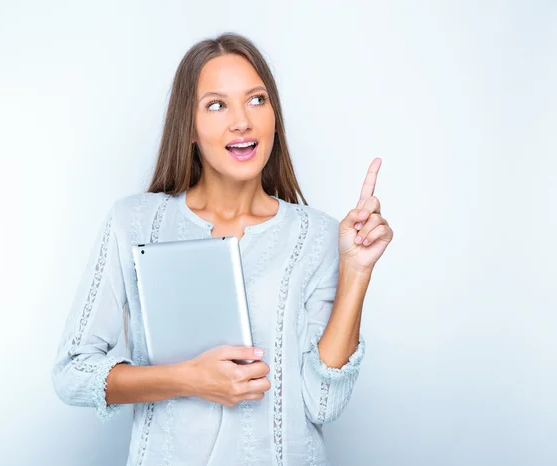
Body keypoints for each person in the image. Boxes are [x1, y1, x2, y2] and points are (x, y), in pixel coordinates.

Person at [52, 32, 393, 466]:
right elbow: (72, 372)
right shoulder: (133, 222)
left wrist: (356, 273)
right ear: (189, 128)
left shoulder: (319, 234)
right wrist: (188, 379)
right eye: (217, 104)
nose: (242, 121)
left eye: (256, 100)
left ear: (274, 118)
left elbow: (322, 402)